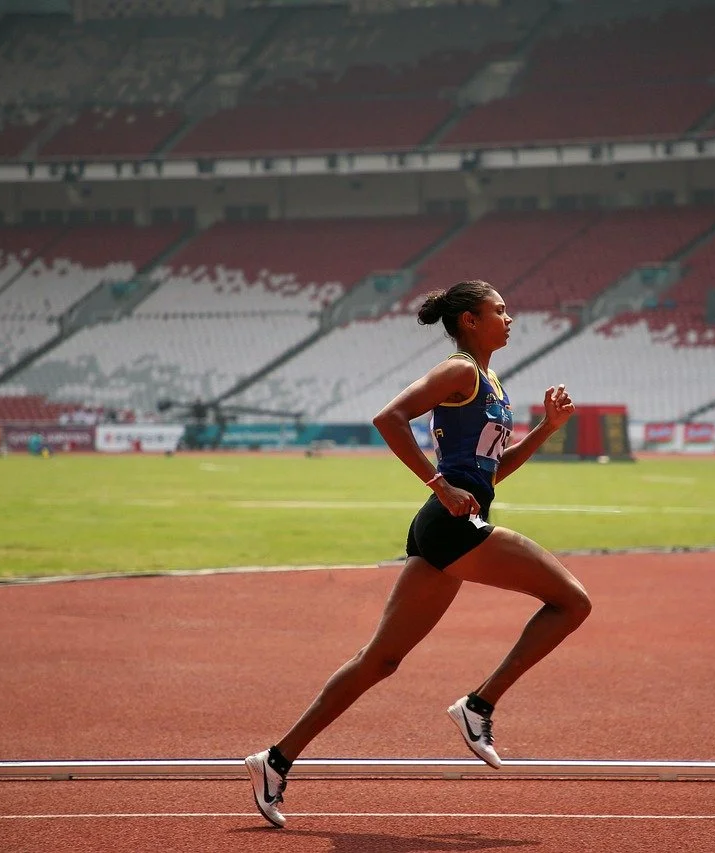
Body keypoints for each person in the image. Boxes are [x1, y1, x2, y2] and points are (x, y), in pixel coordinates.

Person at [244, 280, 591, 828]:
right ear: (470, 321)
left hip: (447, 524)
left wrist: (548, 428)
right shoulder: (460, 372)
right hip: (451, 522)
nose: (510, 317)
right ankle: (478, 705)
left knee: (380, 660)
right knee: (572, 603)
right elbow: (389, 417)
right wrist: (439, 485)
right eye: (498, 310)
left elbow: (492, 472)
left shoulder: (491, 380)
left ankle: (275, 760)